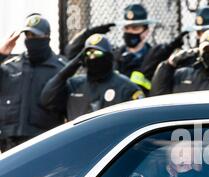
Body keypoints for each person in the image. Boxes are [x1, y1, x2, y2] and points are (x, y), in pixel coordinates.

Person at [64, 4, 188, 95]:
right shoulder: (113, 55)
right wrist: (89, 34)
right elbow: (70, 52)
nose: (130, 32)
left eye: (135, 28)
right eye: (127, 28)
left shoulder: (156, 57)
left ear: (146, 32)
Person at [0, 14, 66, 152]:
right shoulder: (11, 66)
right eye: (28, 35)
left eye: (35, 36)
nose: (31, 39)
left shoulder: (60, 69)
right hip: (10, 145)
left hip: (44, 143)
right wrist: (1, 54)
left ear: (47, 37)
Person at [41, 34, 145, 122]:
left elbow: (139, 120)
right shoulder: (74, 85)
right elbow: (47, 99)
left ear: (108, 56)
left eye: (97, 53)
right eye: (88, 54)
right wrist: (71, 66)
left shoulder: (126, 87)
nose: (92, 58)